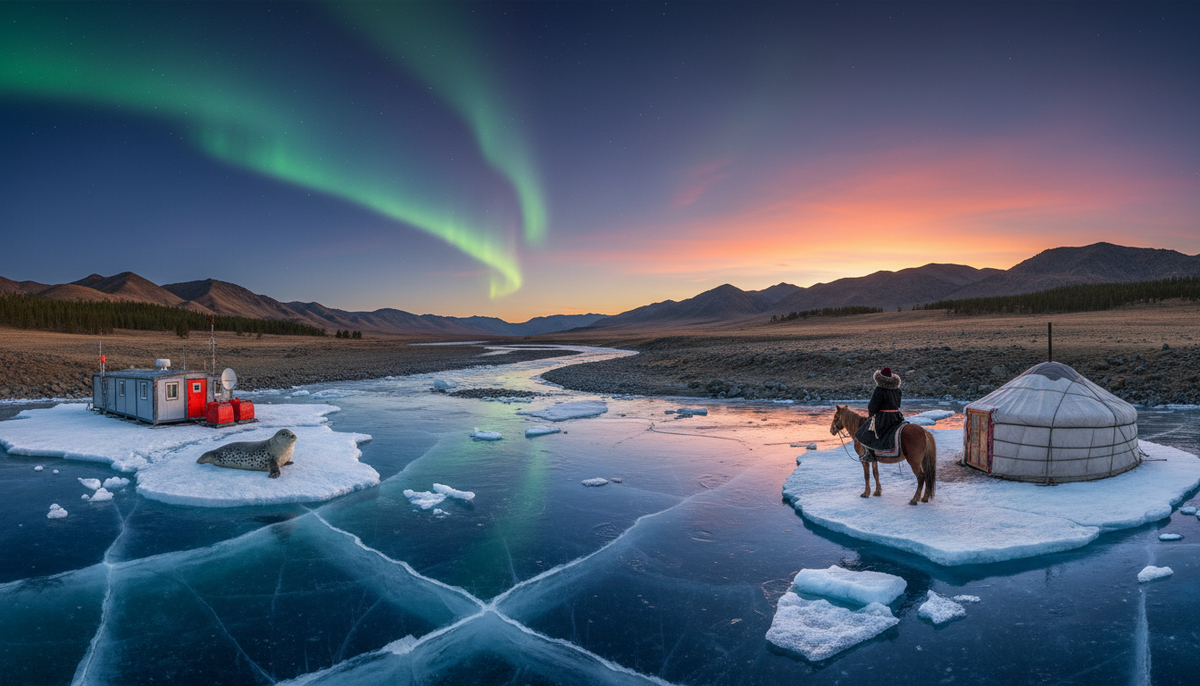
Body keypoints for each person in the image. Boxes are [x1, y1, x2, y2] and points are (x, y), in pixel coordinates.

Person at [853, 367, 904, 460]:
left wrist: (871, 415)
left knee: (864, 432)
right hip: (896, 416)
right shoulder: (898, 390)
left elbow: (872, 406)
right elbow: (898, 404)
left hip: (884, 417)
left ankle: (870, 455)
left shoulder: (879, 389)